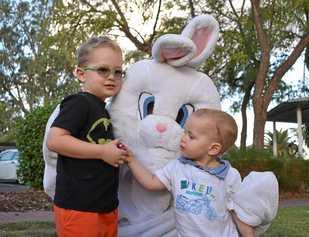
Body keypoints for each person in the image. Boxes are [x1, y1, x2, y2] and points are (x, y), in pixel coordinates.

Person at [124, 108, 255, 237]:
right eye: (184, 132)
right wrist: (131, 160)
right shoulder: (177, 167)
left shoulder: (229, 176)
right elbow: (151, 183)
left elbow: (238, 213)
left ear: (213, 148)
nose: (183, 138)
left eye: (191, 136)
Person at [47, 36, 127, 237]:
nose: (112, 77)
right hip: (79, 206)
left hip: (104, 205)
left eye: (118, 72)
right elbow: (55, 140)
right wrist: (102, 151)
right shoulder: (79, 103)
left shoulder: (104, 109)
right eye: (103, 70)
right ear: (81, 74)